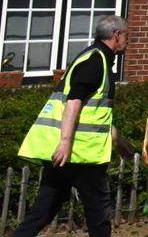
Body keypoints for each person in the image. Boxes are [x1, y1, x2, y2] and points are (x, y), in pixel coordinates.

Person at [15, 16, 134, 237]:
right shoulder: (96, 61)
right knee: (98, 214)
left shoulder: (93, 57)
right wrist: (65, 142)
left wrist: (118, 140)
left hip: (66, 154)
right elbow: (74, 101)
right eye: (126, 36)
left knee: (43, 210)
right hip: (81, 154)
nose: (128, 41)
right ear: (116, 35)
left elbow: (94, 113)